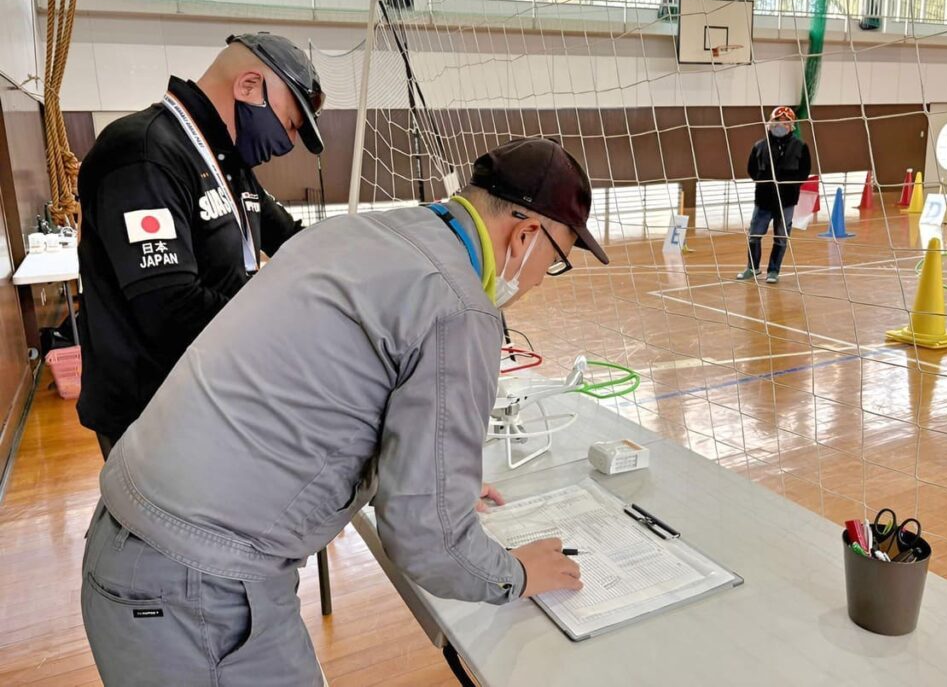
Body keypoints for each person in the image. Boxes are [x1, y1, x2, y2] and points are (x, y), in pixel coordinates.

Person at [81, 138, 609, 686]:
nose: (545, 275)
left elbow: (321, 391)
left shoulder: (355, 233)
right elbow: (431, 544)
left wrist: (426, 482)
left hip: (133, 543)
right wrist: (517, 574)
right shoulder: (458, 306)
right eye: (558, 258)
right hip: (198, 595)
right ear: (526, 236)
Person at [76, 33, 325, 459]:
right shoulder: (143, 153)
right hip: (153, 414)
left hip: (213, 392)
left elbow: (293, 239)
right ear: (249, 87)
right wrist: (287, 325)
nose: (286, 143)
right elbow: (170, 308)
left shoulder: (230, 164)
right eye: (288, 124)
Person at [736, 105, 811, 284]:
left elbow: (804, 172)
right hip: (763, 200)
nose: (781, 125)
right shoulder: (759, 146)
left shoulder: (800, 146)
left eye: (786, 122)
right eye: (778, 121)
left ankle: (773, 271)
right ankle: (752, 268)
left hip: (786, 202)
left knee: (781, 238)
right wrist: (765, 183)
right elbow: (752, 169)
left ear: (792, 126)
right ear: (770, 123)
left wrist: (788, 186)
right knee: (754, 235)